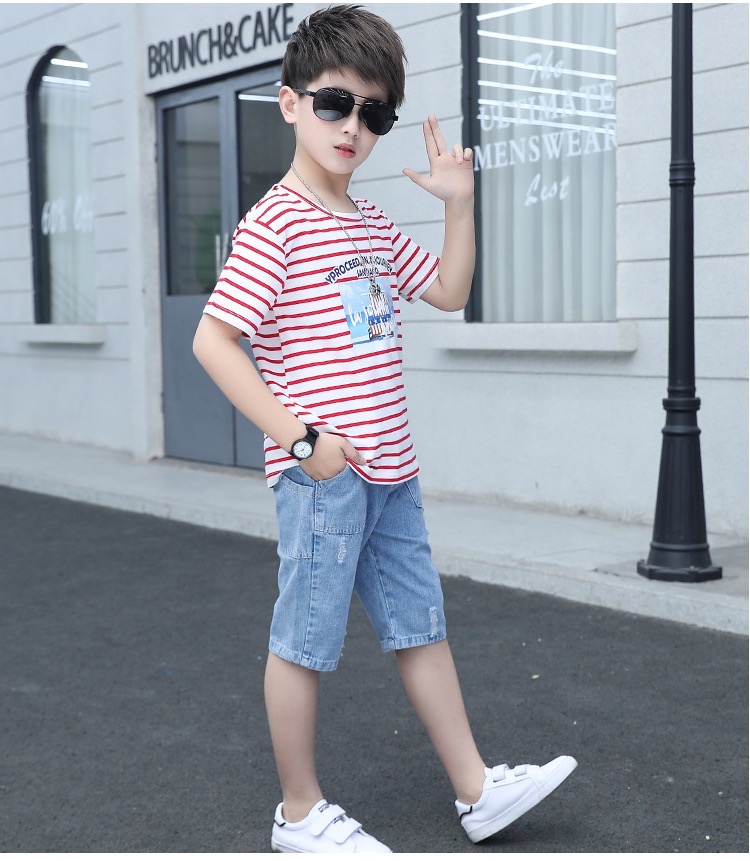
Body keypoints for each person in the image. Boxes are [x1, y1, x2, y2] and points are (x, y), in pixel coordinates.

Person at [193, 5, 576, 853]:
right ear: (290, 103)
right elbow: (213, 341)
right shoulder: (274, 223)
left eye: (374, 114)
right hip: (325, 478)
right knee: (303, 643)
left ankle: (477, 790)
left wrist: (458, 204)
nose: (353, 128)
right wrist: (304, 442)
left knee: (420, 626)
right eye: (335, 103)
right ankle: (299, 813)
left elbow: (449, 290)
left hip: (393, 475)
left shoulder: (368, 224)